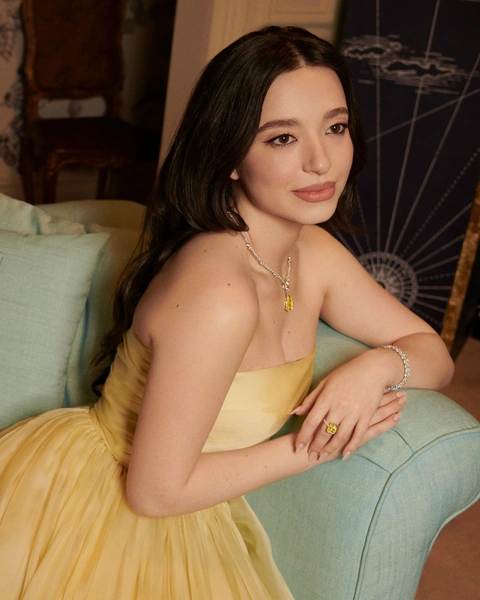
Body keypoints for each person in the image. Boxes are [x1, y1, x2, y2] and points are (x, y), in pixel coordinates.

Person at [0, 26, 454, 599]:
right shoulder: (221, 293)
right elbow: (153, 493)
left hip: (190, 509)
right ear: (230, 155)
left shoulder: (312, 253)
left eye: (335, 127)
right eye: (282, 138)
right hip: (103, 510)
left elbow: (433, 353)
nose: (321, 161)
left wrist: (375, 368)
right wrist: (316, 443)